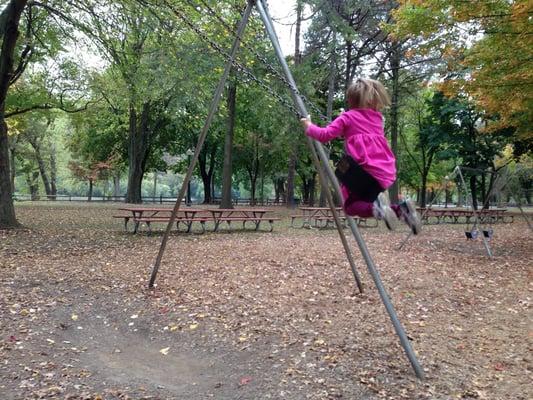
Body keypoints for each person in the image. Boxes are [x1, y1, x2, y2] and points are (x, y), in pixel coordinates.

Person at [300, 77, 421, 234]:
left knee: (351, 207)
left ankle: (379, 209)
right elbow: (361, 129)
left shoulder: (347, 118)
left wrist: (309, 126)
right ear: (374, 101)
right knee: (367, 202)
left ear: (350, 101)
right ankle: (402, 211)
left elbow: (325, 135)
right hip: (384, 172)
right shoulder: (378, 119)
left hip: (363, 171)